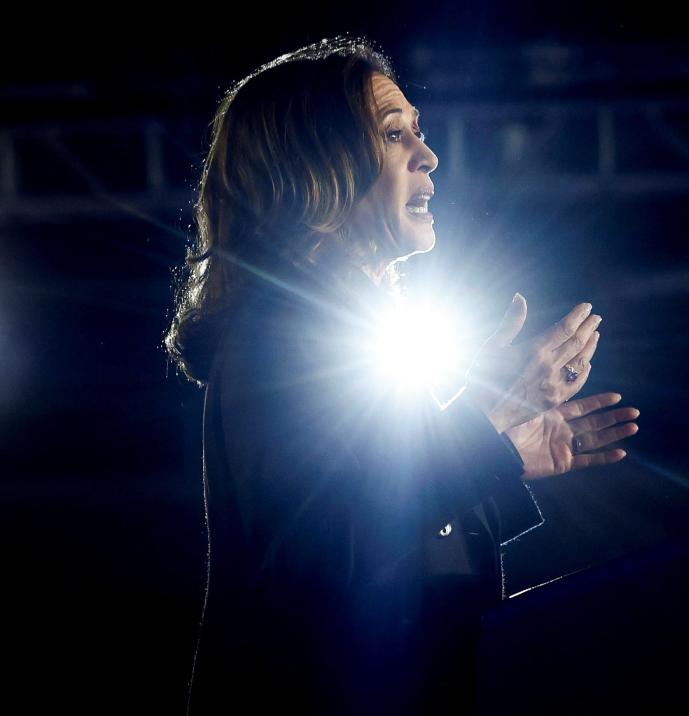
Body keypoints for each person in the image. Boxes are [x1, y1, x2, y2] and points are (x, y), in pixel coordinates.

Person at [164, 36, 640, 715]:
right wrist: (486, 429)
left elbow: (389, 526)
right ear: (314, 168)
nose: (429, 155)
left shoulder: (350, 336)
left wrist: (505, 454)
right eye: (394, 134)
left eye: (418, 131)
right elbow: (324, 550)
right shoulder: (278, 338)